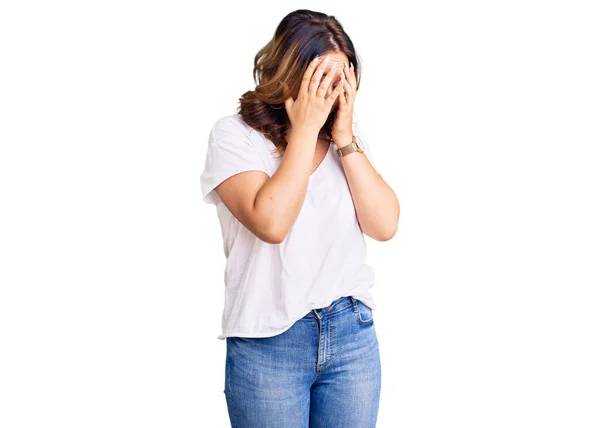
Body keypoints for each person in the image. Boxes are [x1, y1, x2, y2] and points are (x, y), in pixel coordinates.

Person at [200, 9, 400, 428]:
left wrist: (344, 139)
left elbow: (384, 225)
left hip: (351, 334)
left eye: (342, 78)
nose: (332, 91)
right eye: (320, 79)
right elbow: (271, 223)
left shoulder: (345, 139)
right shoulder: (234, 136)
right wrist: (305, 129)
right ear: (288, 73)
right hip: (268, 343)